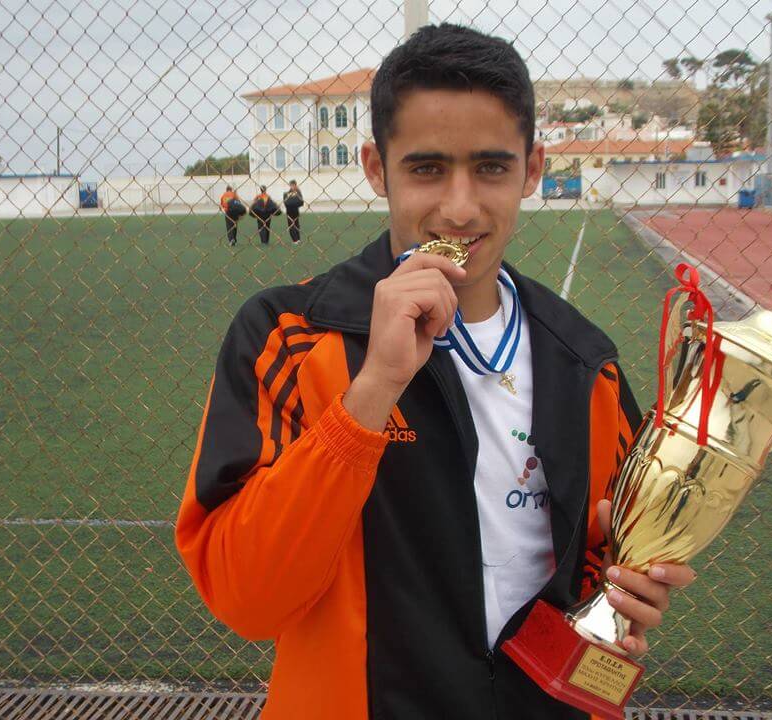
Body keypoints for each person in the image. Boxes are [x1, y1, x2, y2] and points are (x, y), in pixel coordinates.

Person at [176, 24, 694, 720]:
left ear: (533, 169)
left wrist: (626, 591)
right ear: (375, 168)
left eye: (491, 168)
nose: (459, 207)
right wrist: (371, 393)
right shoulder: (290, 336)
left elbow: (602, 570)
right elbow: (247, 599)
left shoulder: (584, 363)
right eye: (426, 169)